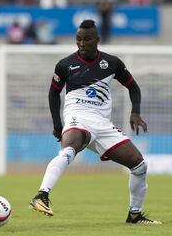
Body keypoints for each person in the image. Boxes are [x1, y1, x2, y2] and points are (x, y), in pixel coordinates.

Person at [29, 20, 161, 224]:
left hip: (102, 123)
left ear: (97, 40)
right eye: (78, 39)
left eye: (87, 39)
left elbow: (133, 87)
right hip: (77, 116)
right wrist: (58, 124)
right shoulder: (65, 65)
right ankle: (41, 195)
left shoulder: (112, 63)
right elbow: (53, 94)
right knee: (69, 150)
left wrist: (135, 112)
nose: (81, 43)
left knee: (139, 165)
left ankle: (134, 215)